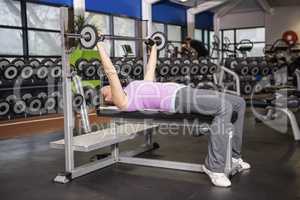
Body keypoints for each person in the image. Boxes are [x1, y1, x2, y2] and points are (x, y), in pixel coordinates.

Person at [97, 42, 250, 187]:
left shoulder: (132, 87)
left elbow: (150, 69)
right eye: (104, 91)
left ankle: (234, 157)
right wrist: (100, 46)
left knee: (238, 103)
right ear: (110, 98)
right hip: (174, 100)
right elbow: (111, 73)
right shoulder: (123, 101)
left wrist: (154, 47)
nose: (105, 88)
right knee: (224, 107)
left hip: (181, 90)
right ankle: (214, 167)